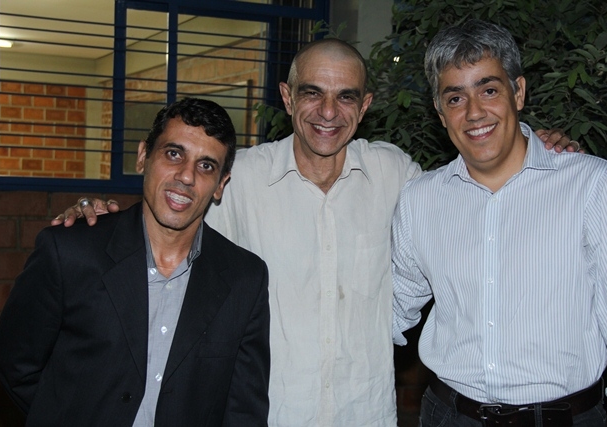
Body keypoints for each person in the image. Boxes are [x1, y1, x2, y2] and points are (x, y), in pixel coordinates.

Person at [52, 39, 577, 426]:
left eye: (346, 97)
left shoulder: (397, 176)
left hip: (365, 415)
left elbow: (474, 192)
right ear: (286, 97)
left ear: (365, 106)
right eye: (312, 93)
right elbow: (168, 222)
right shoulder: (239, 179)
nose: (328, 113)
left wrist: (534, 147)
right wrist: (99, 217)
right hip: (263, 415)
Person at [392, 19, 607, 427]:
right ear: (440, 112)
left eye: (489, 90)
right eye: (455, 98)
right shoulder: (420, 200)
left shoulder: (593, 185)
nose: (474, 112)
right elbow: (391, 308)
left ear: (518, 92)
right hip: (449, 415)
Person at [0, 98, 271, 426]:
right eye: (174, 154)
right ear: (143, 156)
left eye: (206, 166)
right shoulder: (71, 252)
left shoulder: (244, 279)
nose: (186, 176)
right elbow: (15, 364)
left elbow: (244, 411)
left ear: (220, 185)